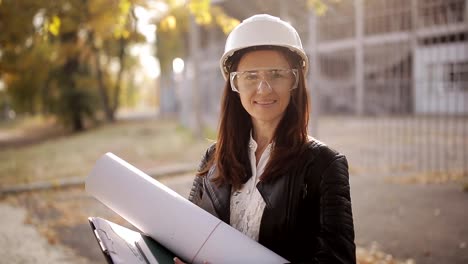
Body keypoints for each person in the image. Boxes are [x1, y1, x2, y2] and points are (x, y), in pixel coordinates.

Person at [177, 14, 356, 263]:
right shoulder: (213, 157)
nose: (264, 88)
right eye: (251, 76)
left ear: (295, 81)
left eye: (276, 74)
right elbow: (187, 237)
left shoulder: (324, 165)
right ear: (234, 84)